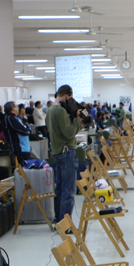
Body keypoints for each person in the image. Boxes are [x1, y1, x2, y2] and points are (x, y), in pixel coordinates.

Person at [47, 85, 83, 222]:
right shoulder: (60, 111)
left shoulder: (50, 110)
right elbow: (68, 133)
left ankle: (59, 220)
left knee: (60, 188)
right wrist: (78, 122)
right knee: (68, 190)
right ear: (67, 96)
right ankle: (66, 223)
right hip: (67, 152)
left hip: (57, 152)